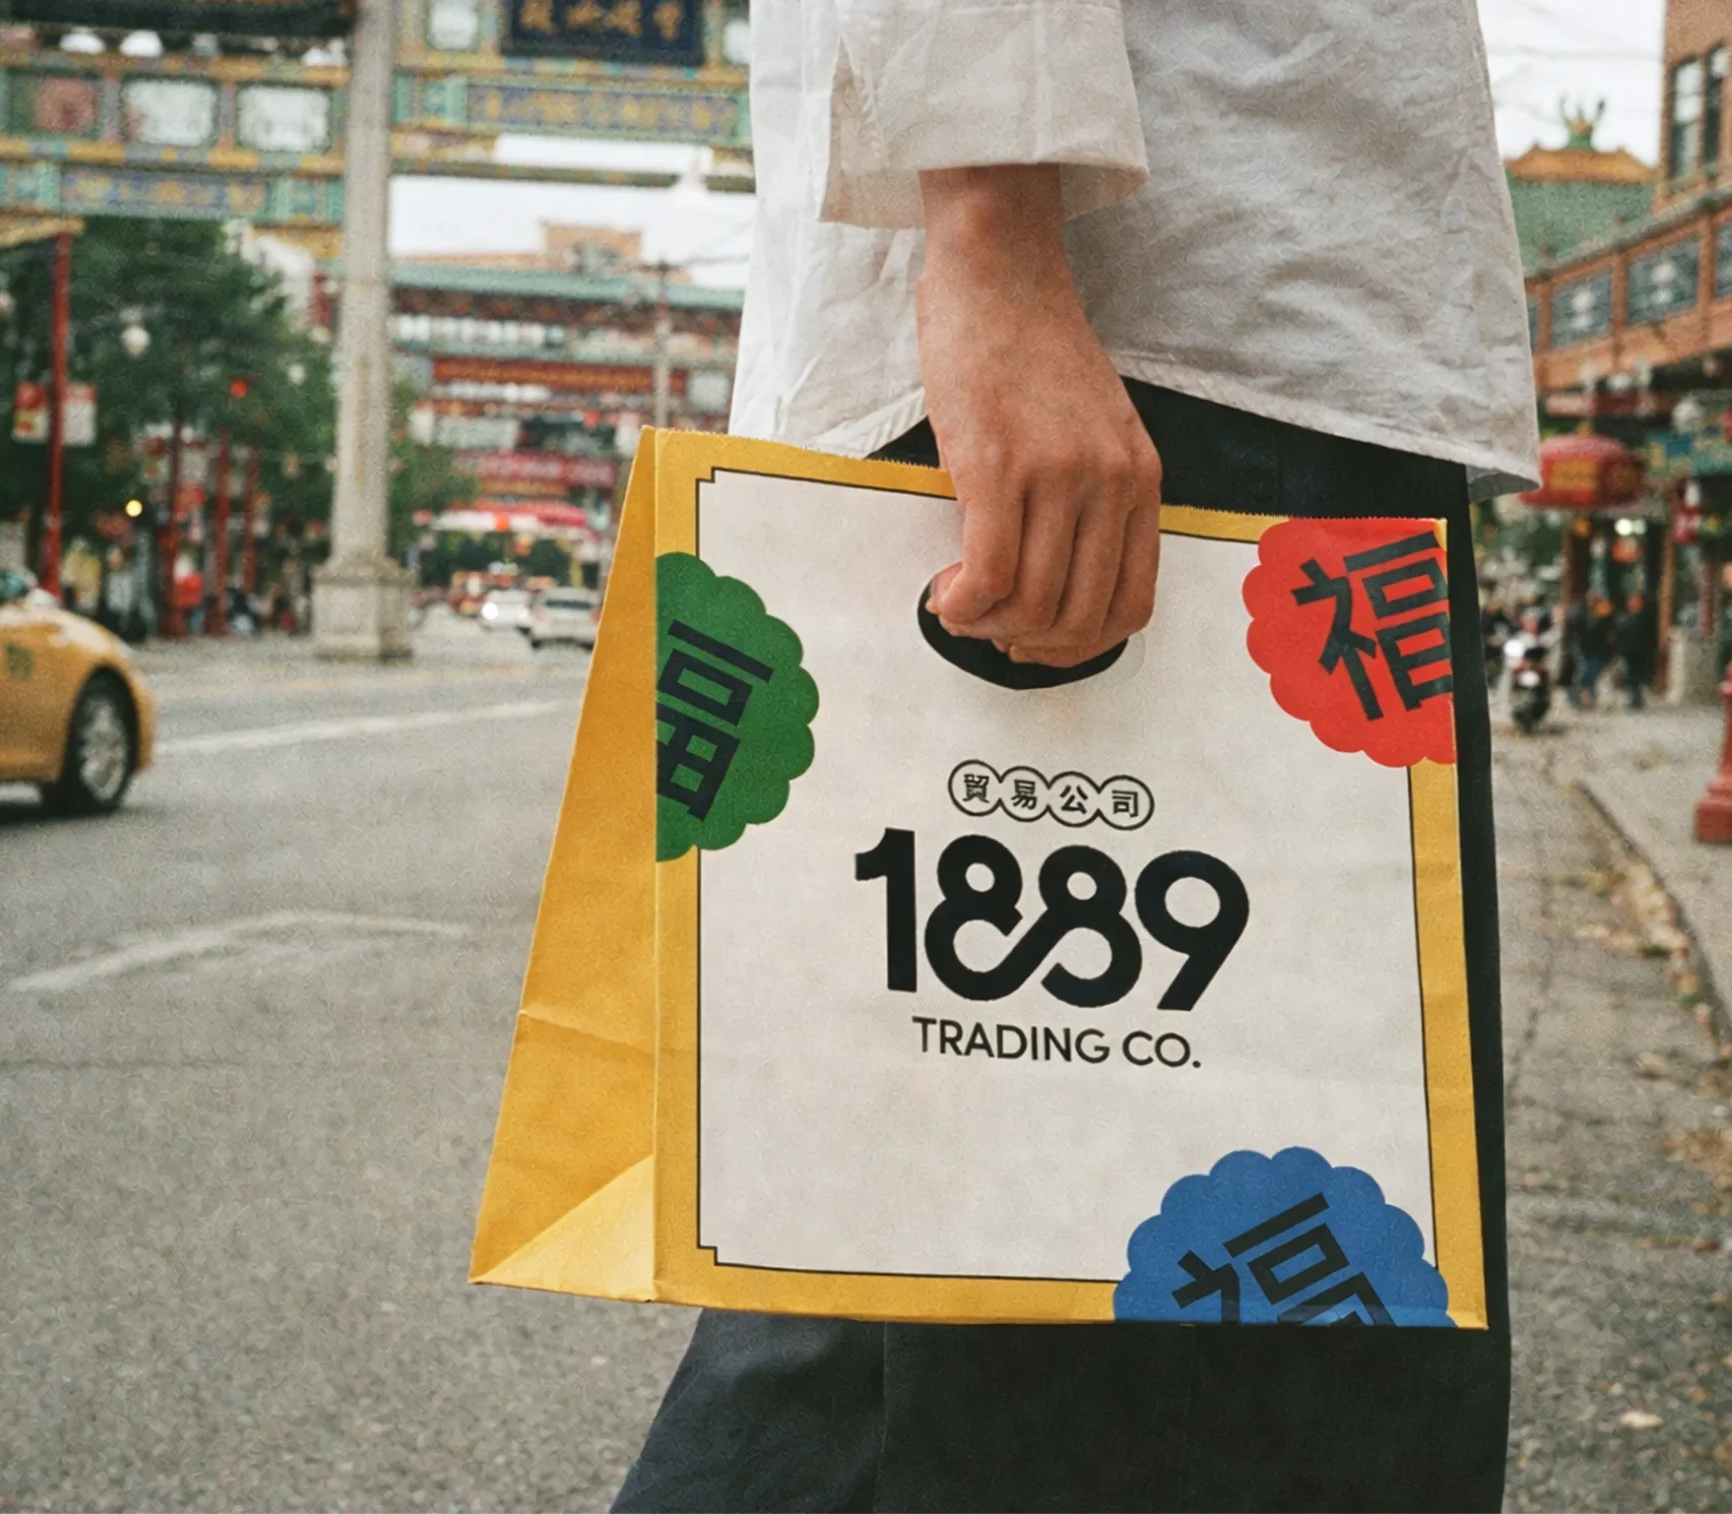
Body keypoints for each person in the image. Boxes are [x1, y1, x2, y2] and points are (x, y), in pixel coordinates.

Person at [610, 3, 1535, 1510]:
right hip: (1172, 338)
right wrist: (989, 237)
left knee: (978, 1301)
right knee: (1145, 1358)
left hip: (1246, 335)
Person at [1615, 590, 1658, 710]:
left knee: (1639, 676)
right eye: (1632, 601)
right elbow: (1619, 636)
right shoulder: (1623, 618)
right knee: (1630, 676)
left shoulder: (1646, 618)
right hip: (1628, 652)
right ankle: (1633, 699)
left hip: (1642, 653)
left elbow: (1651, 636)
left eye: (1636, 601)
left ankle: (1637, 699)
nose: (1633, 604)